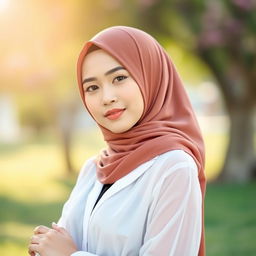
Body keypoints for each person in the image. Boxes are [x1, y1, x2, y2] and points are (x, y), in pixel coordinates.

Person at [28, 26, 206, 256]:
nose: (107, 97)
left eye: (119, 78)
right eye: (92, 87)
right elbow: (59, 242)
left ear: (150, 77)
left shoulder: (174, 168)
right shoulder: (94, 169)